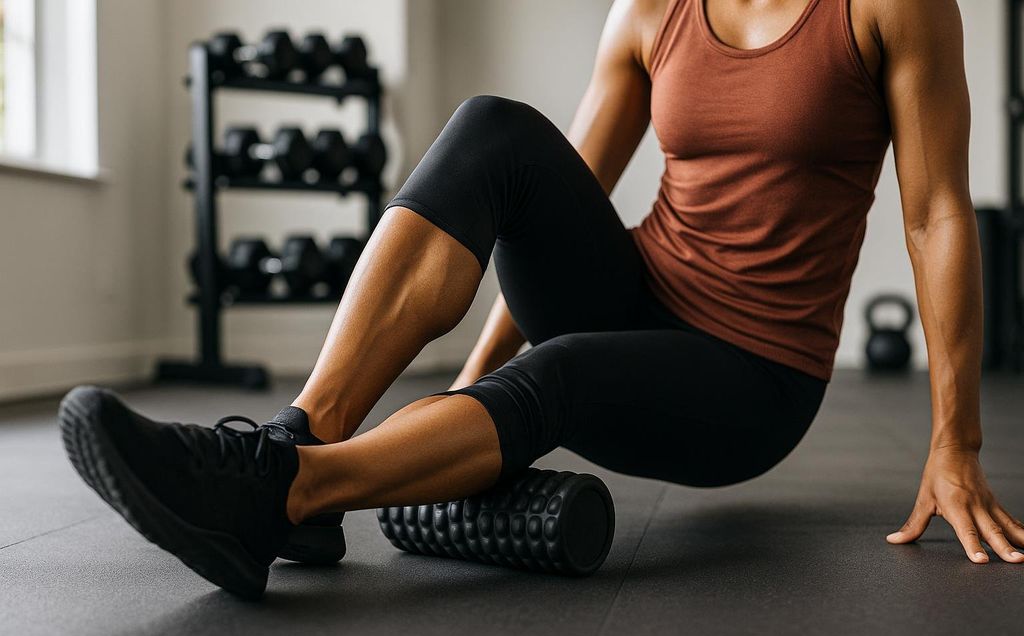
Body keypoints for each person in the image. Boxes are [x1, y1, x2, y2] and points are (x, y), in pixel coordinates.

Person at [59, 0, 1024, 599]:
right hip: (636, 288)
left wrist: (957, 441)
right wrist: (468, 398)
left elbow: (937, 215)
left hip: (754, 374)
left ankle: (273, 499)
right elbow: (552, 190)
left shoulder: (893, 5)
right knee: (496, 131)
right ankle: (300, 438)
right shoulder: (655, 8)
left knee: (553, 374)